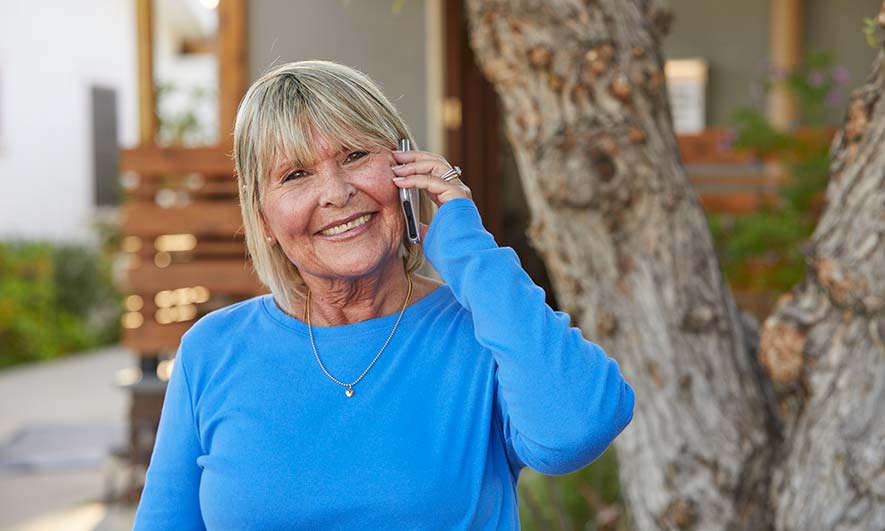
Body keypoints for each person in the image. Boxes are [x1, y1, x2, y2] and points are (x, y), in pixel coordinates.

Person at [133, 60, 635, 530]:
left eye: (355, 155)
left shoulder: (480, 330)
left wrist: (464, 242)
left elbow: (577, 429)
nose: (336, 191)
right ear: (262, 218)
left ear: (405, 169)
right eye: (296, 174)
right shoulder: (212, 349)